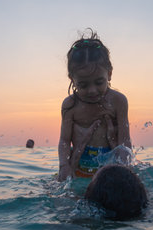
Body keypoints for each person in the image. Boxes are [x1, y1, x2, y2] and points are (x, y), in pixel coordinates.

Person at [58, 29, 131, 181]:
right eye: (83, 85)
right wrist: (64, 166)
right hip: (78, 171)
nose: (92, 91)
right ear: (72, 79)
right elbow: (64, 140)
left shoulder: (118, 101)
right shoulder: (70, 105)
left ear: (109, 73)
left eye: (99, 82)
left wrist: (124, 169)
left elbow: (125, 142)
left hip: (109, 171)